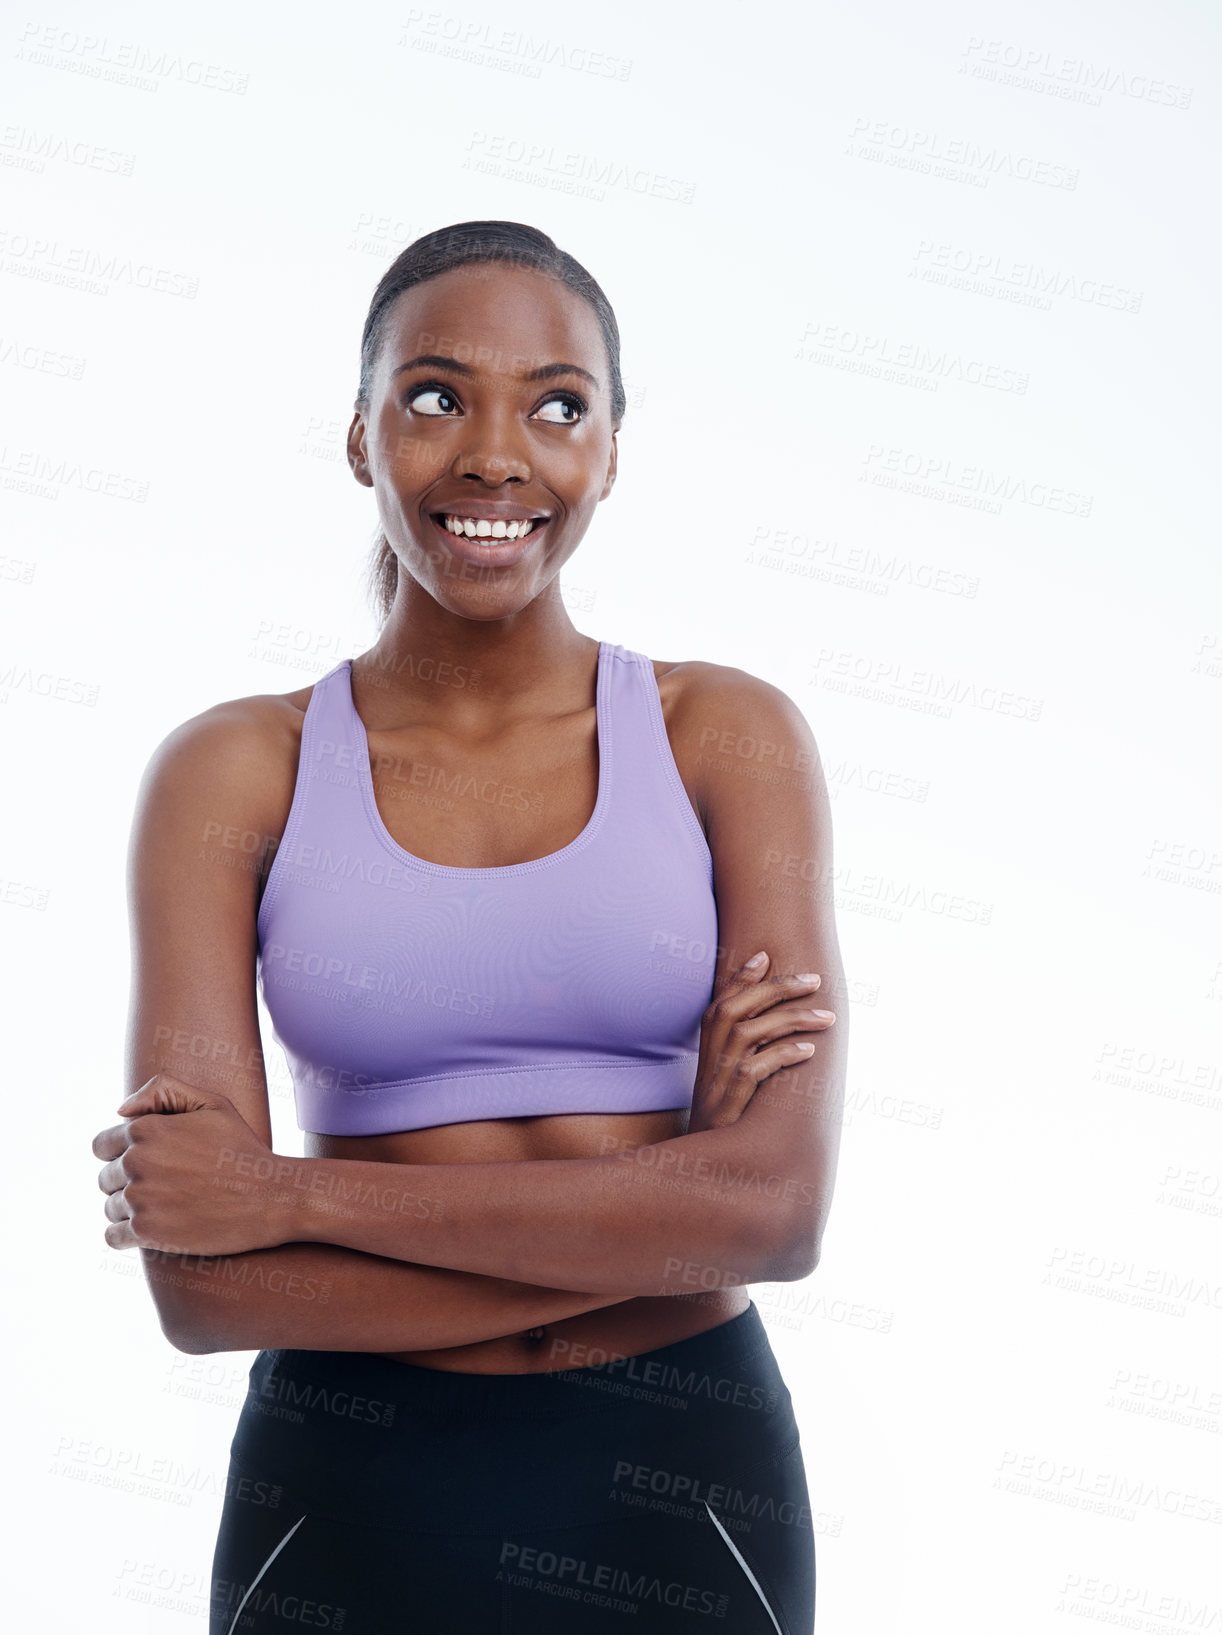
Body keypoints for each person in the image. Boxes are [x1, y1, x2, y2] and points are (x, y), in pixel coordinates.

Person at [92, 220, 847, 1633]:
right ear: (360, 437)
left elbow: (774, 1211)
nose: (496, 455)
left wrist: (293, 1200)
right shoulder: (236, 769)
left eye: (557, 405)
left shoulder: (723, 738)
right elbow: (200, 1281)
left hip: (675, 1481)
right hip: (349, 1486)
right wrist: (652, 1215)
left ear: (609, 450)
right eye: (434, 396)